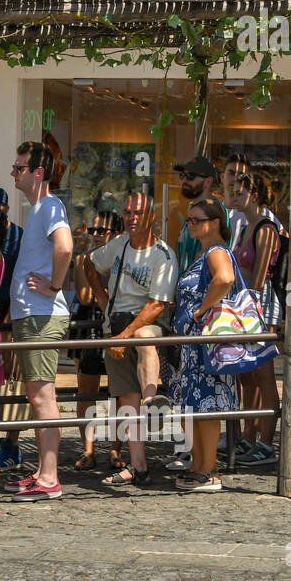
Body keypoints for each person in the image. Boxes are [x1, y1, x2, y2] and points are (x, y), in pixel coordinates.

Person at [86, 190, 177, 487]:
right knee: (126, 399)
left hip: (146, 326)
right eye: (126, 212)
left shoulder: (164, 255)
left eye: (137, 212)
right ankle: (138, 465)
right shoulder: (118, 245)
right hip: (116, 328)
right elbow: (88, 262)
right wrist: (101, 299)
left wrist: (123, 335)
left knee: (143, 336)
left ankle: (152, 401)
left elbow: (157, 305)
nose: (131, 218)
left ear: (151, 215)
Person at [3, 141, 74, 502]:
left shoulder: (49, 205)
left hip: (42, 315)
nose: (13, 173)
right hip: (34, 314)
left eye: (19, 168)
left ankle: (49, 477)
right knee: (38, 394)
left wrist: (55, 285)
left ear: (38, 173)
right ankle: (45, 473)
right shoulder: (41, 208)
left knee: (43, 395)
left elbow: (65, 246)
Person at [171, 199, 246, 491]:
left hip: (206, 343)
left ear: (215, 222)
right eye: (188, 220)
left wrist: (199, 311)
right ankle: (198, 464)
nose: (190, 224)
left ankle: (209, 468)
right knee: (193, 405)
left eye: (196, 220)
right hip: (194, 345)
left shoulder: (215, 251)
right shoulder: (204, 252)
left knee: (206, 403)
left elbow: (225, 279)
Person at [233, 172, 282, 465]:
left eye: (240, 192)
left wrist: (247, 308)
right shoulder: (245, 228)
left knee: (263, 376)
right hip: (245, 305)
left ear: (254, 195)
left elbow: (260, 278)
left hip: (259, 305)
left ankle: (266, 441)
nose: (235, 196)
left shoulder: (265, 229)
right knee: (247, 375)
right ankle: (248, 435)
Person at [71, 209, 126, 471]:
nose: (93, 235)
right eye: (90, 230)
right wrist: (112, 295)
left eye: (99, 231)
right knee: (87, 392)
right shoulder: (84, 258)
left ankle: (116, 450)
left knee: (120, 393)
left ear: (115, 234)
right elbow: (85, 296)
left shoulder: (124, 256)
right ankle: (88, 449)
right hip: (90, 325)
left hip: (118, 325)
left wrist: (104, 293)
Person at [0, 186, 26, 470]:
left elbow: (21, 276)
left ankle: (11, 444)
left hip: (14, 312)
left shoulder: (19, 236)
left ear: (6, 209)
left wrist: (10, 314)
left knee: (14, 380)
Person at [173, 155, 243, 272]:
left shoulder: (214, 212)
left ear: (208, 182)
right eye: (182, 176)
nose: (184, 180)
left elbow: (216, 264)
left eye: (190, 176)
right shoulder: (193, 212)